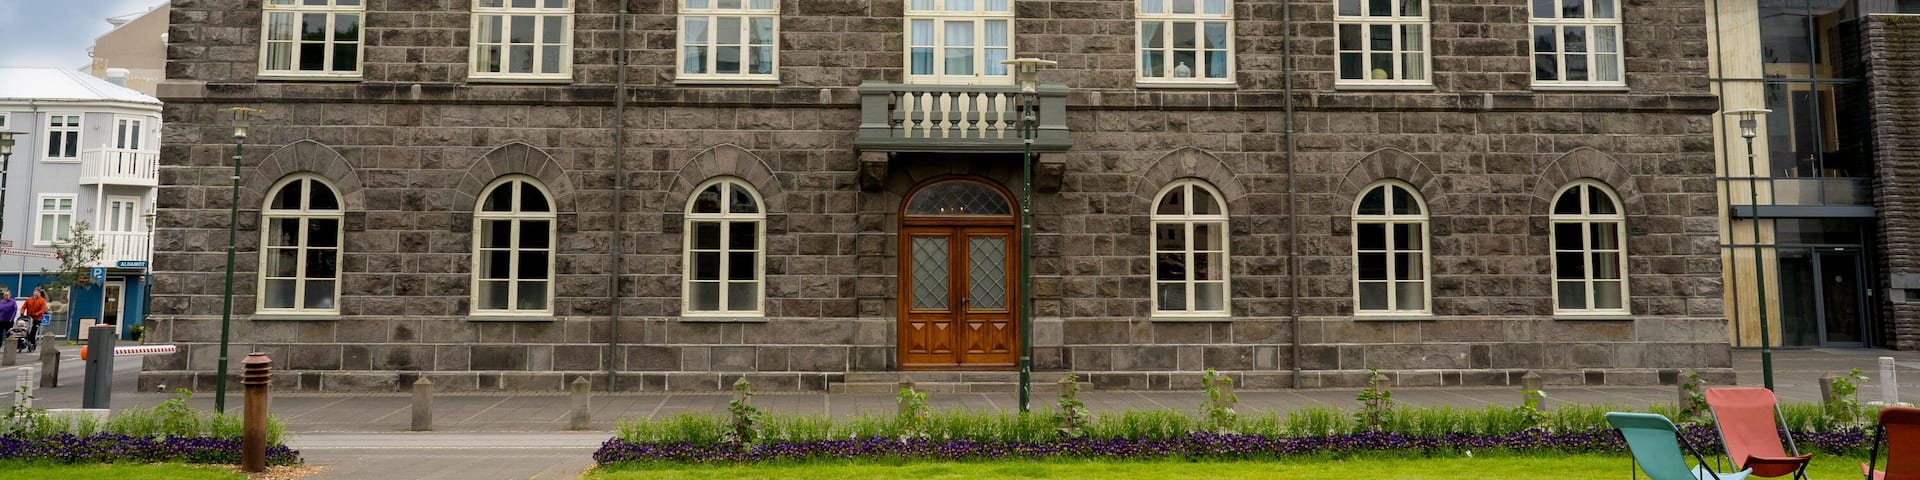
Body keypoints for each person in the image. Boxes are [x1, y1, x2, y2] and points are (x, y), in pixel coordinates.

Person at [21, 288, 47, 353]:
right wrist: (22, 312)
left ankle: (33, 344)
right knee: (25, 331)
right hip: (29, 318)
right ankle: (24, 343)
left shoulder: (42, 300)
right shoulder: (29, 299)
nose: (35, 293)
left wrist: (36, 314)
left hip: (36, 319)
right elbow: (24, 306)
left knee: (33, 332)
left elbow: (43, 310)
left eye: (37, 292)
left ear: (40, 293)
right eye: (35, 291)